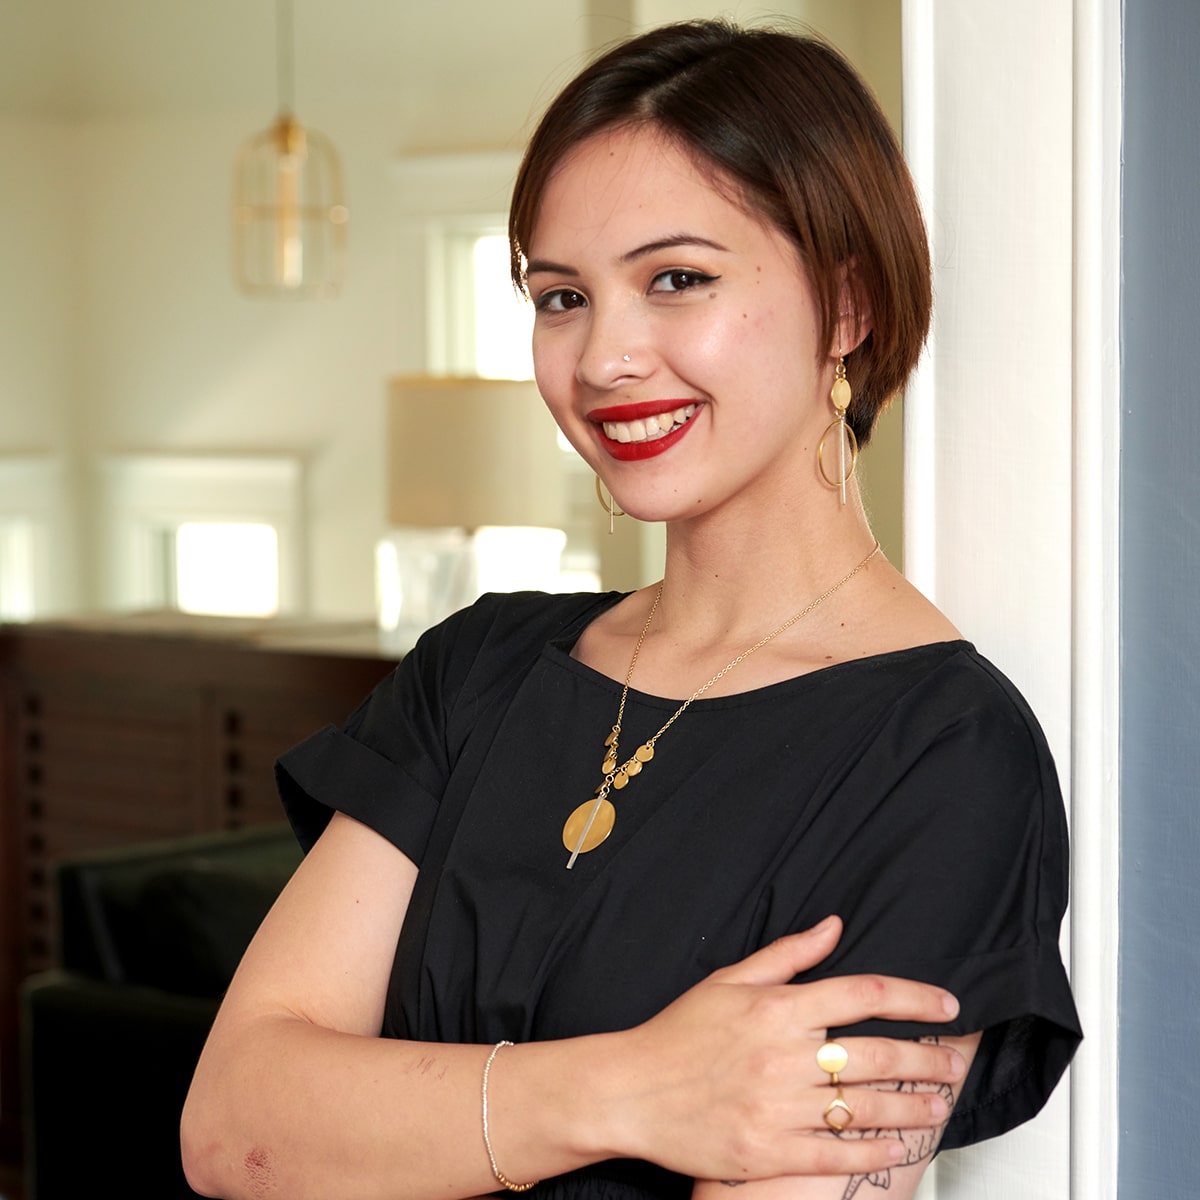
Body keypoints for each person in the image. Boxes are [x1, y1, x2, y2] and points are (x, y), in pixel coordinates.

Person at [182, 20, 1080, 1200]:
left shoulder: (944, 760)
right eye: (561, 296)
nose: (602, 357)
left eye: (677, 279)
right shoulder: (480, 669)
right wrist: (633, 1089)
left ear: (848, 304)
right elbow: (236, 1128)